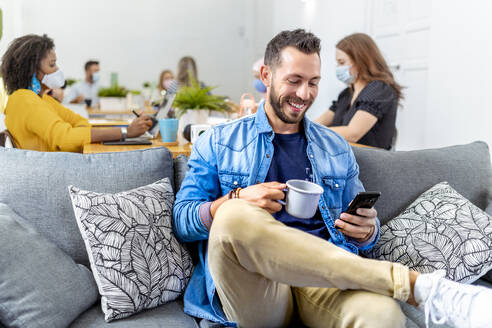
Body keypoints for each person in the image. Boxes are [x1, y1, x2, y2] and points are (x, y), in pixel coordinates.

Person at [173, 29, 491, 328]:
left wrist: (367, 231)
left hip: (324, 280)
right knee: (234, 215)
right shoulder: (218, 141)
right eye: (294, 80)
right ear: (266, 77)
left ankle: (412, 289)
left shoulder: (336, 147)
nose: (304, 93)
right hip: (257, 285)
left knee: (383, 316)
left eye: (313, 82)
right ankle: (412, 285)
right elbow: (182, 220)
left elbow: (368, 229)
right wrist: (235, 199)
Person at [1, 34, 152, 152]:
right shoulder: (24, 100)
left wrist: (75, 134)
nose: (57, 69)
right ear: (33, 70)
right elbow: (66, 139)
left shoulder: (42, 100)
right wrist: (126, 132)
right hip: (52, 173)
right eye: (52, 64)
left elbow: (81, 123)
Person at [316, 33, 402, 150]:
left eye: (341, 63)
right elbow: (318, 123)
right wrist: (298, 128)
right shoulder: (347, 94)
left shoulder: (380, 90)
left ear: (360, 60)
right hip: (349, 157)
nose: (338, 68)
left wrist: (312, 132)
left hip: (373, 162)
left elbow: (353, 133)